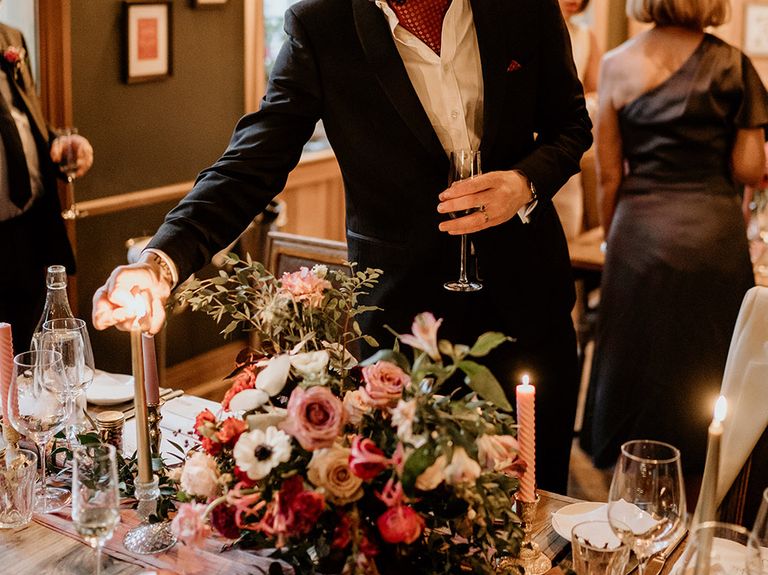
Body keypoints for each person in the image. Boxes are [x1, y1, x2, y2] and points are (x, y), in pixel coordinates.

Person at [93, 0, 592, 495]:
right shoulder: (321, 24)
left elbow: (571, 126)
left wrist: (526, 182)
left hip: (529, 308)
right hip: (403, 327)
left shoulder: (524, 7)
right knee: (414, 510)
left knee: (538, 502)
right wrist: (161, 262)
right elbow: (251, 164)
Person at [589, 0, 768, 502]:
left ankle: (627, 490)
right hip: (712, 233)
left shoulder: (617, 63)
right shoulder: (734, 64)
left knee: (636, 362)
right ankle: (706, 483)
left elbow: (607, 175)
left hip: (638, 232)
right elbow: (749, 169)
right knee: (709, 362)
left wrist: (614, 238)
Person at [0, 21, 93, 350]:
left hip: (24, 234)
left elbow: (24, 119)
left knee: (27, 355)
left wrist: (58, 143)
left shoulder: (10, 38)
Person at [552, 0, 601, 240]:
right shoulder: (523, 30)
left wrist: (580, 108)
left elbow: (595, 92)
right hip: (526, 145)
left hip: (566, 143)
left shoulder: (584, 36)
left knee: (567, 231)